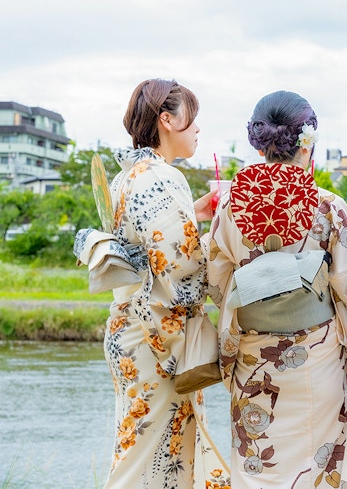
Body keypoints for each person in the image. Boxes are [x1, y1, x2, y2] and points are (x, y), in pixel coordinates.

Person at [75, 79, 229, 489]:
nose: (197, 128)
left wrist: (193, 216)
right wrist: (223, 238)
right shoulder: (162, 177)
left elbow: (151, 244)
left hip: (132, 327)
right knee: (151, 456)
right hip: (153, 336)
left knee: (141, 446)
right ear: (167, 119)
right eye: (191, 118)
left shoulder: (130, 176)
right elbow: (182, 267)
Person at [206, 90, 347, 488]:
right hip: (317, 354)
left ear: (259, 141)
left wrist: (257, 291)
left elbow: (217, 282)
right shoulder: (329, 206)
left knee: (258, 465)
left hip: (254, 355)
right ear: (307, 140)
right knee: (320, 464)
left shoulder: (229, 206)